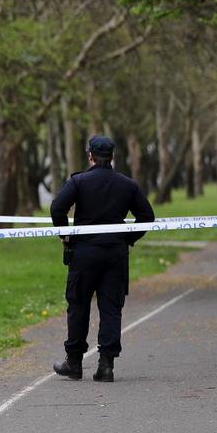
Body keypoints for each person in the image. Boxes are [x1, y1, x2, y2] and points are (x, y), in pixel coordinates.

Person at [50, 135, 155, 382]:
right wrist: (128, 237)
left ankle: (73, 363)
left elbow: (57, 208)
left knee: (78, 306)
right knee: (111, 308)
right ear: (113, 158)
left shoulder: (79, 182)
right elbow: (147, 216)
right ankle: (106, 365)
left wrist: (65, 235)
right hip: (114, 255)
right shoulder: (127, 185)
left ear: (90, 156)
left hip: (84, 254)